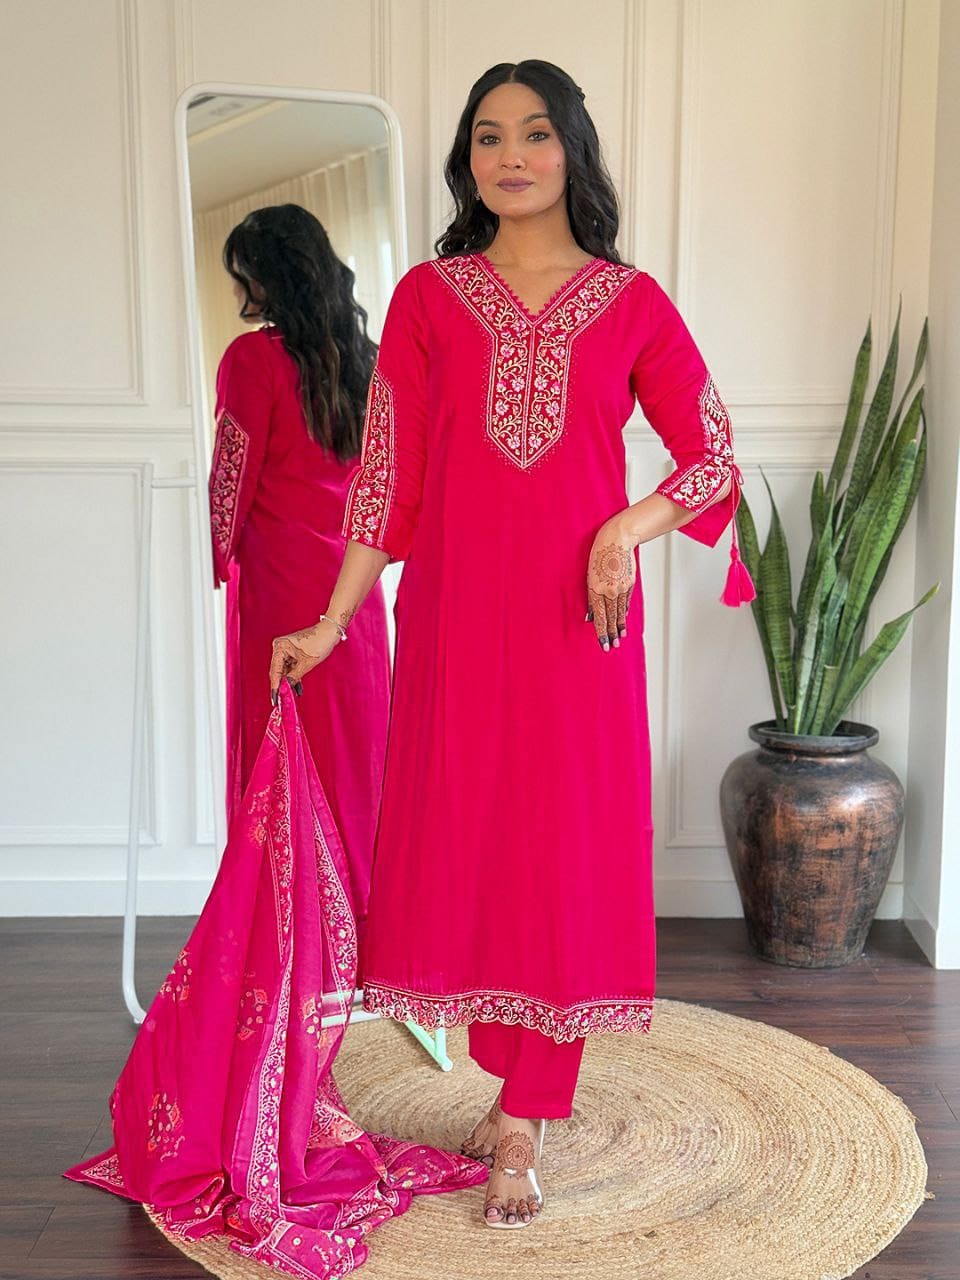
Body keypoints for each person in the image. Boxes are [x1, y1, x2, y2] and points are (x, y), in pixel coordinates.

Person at [268, 61, 755, 1231]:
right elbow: (390, 478)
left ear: (572, 151)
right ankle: (507, 1083)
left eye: (537, 134)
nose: (512, 156)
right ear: (469, 161)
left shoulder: (631, 302)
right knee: (469, 845)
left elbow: (714, 456)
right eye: (489, 137)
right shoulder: (434, 299)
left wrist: (624, 527)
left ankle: (525, 1119)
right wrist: (331, 617)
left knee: (561, 858)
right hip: (454, 622)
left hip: (575, 634)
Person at [210, 205, 391, 938]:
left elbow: (233, 480)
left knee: (280, 749)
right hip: (355, 589)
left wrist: (215, 556)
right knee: (357, 754)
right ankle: (361, 928)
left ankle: (289, 929)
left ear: (264, 278)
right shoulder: (366, 360)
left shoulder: (252, 360)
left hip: (282, 582)